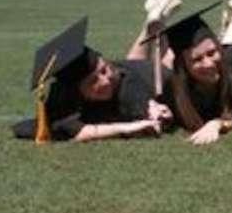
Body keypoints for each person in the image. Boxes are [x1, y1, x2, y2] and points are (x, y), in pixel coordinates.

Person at [13, 17, 169, 143]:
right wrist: (126, 128)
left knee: (167, 64)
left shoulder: (125, 84)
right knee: (132, 61)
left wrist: (154, 110)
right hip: (131, 66)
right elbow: (80, 132)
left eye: (104, 70)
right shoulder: (62, 98)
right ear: (74, 91)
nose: (105, 81)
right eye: (93, 81)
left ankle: (157, 25)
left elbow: (144, 102)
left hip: (152, 75)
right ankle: (151, 23)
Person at [136, 3, 232, 145]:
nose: (208, 64)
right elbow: (132, 72)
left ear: (218, 48)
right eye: (197, 60)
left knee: (231, 50)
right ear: (184, 66)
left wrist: (218, 124)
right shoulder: (174, 90)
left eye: (212, 53)